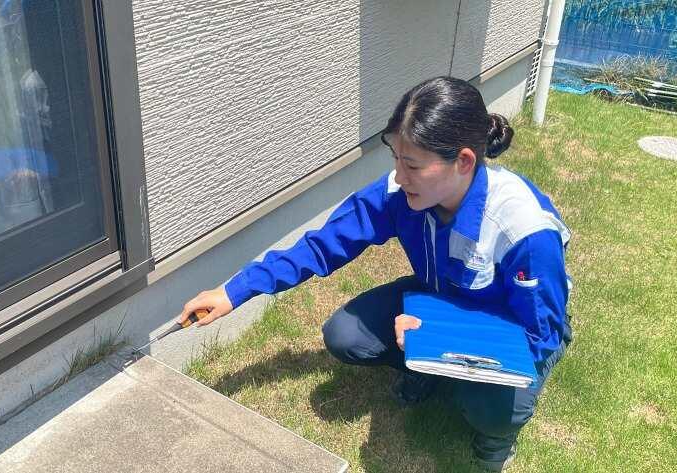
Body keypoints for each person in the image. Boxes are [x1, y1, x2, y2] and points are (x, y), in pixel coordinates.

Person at [177, 76, 572, 471]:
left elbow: (539, 334)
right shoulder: (399, 192)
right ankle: (428, 368)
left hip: (515, 325)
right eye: (396, 159)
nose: (399, 176)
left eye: (413, 164)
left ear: (464, 161)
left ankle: (496, 438)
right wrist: (235, 291)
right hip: (438, 294)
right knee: (345, 335)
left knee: (491, 405)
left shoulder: (523, 230)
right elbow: (322, 245)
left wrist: (440, 335)